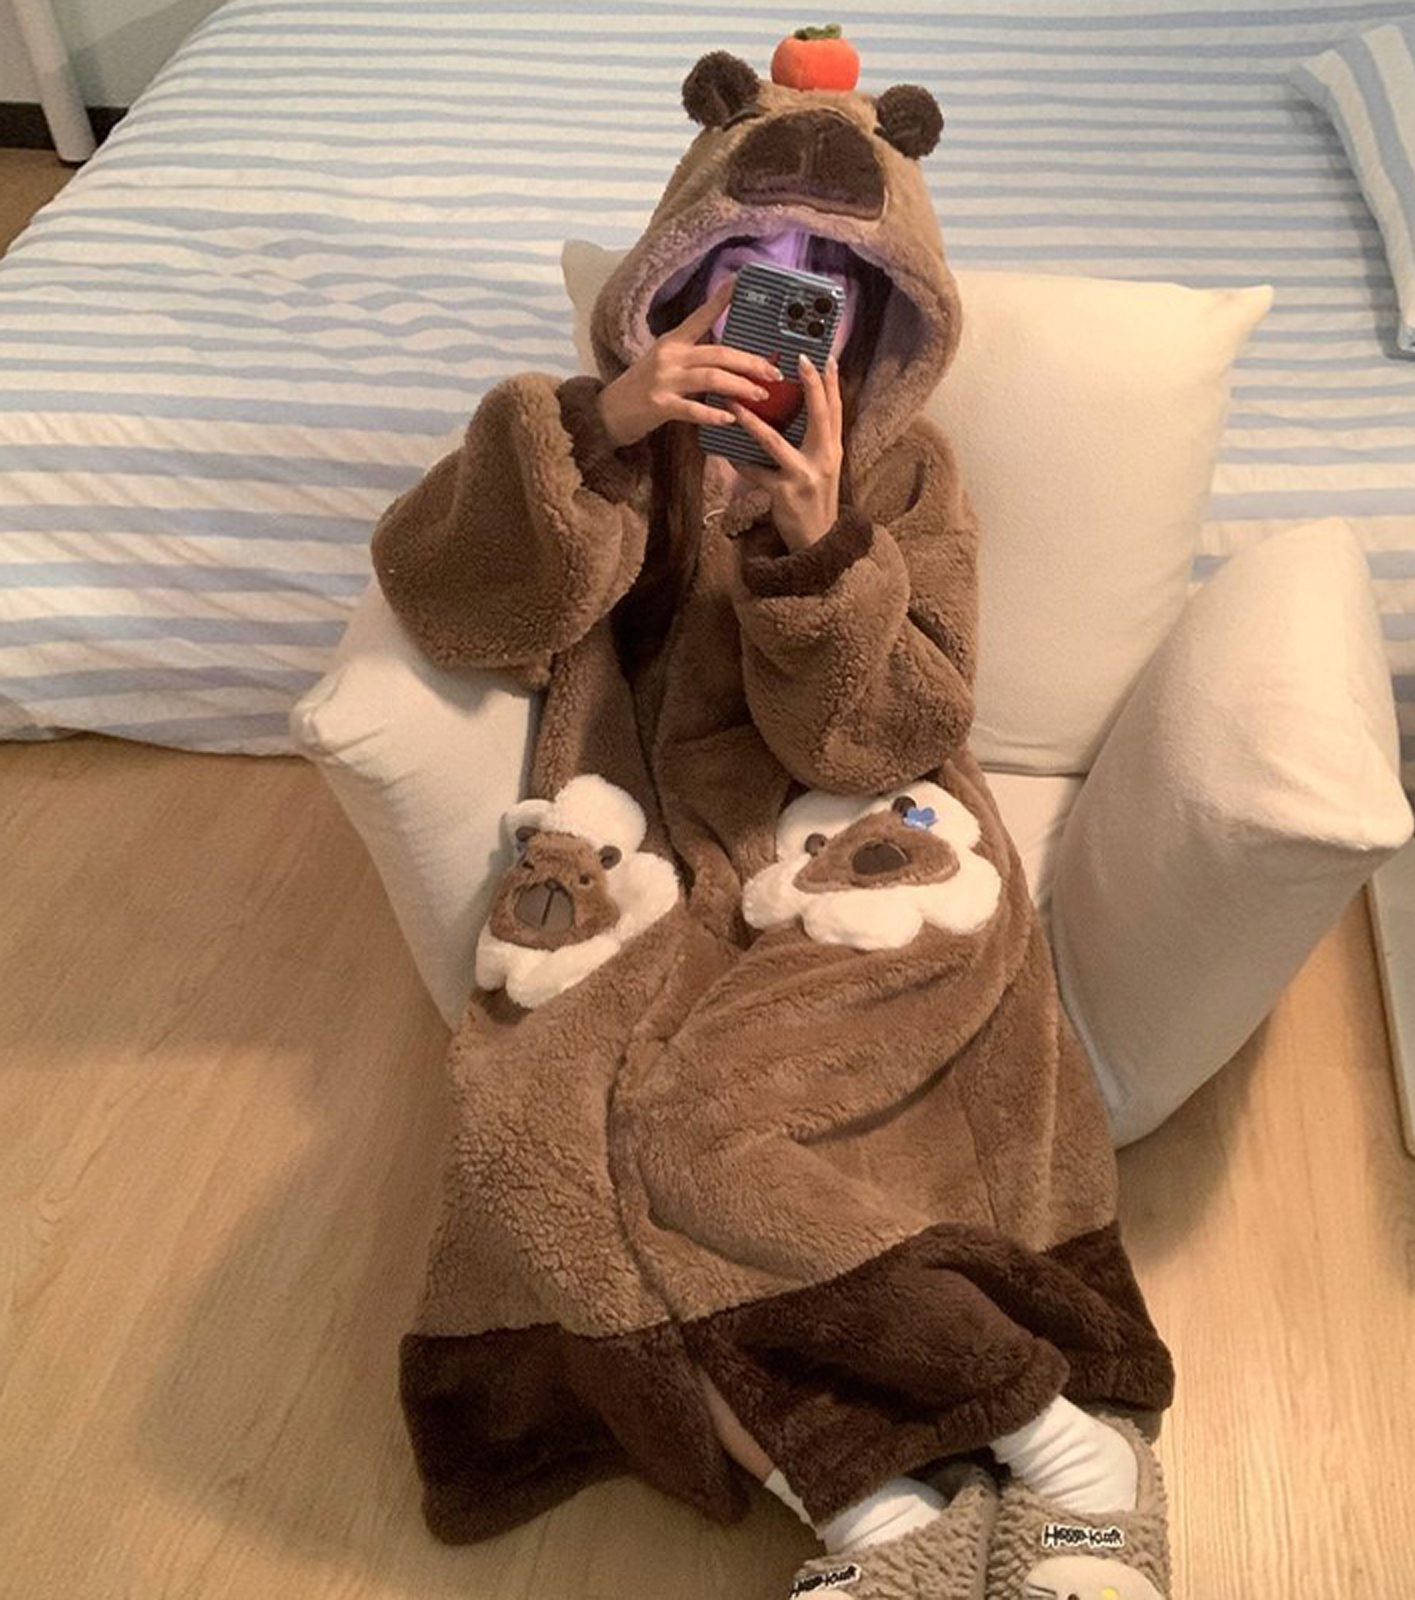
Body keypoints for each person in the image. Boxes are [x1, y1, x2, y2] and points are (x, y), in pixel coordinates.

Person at [371, 48, 1175, 1600]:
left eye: (829, 299)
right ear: (679, 281)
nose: (783, 328)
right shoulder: (604, 437)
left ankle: (1055, 1445)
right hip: (636, 841)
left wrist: (821, 555)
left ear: (884, 323)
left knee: (703, 1136)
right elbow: (456, 600)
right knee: (537, 1131)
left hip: (865, 837)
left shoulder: (909, 475)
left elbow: (895, 728)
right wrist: (599, 428)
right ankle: (892, 1508)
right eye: (746, 284)